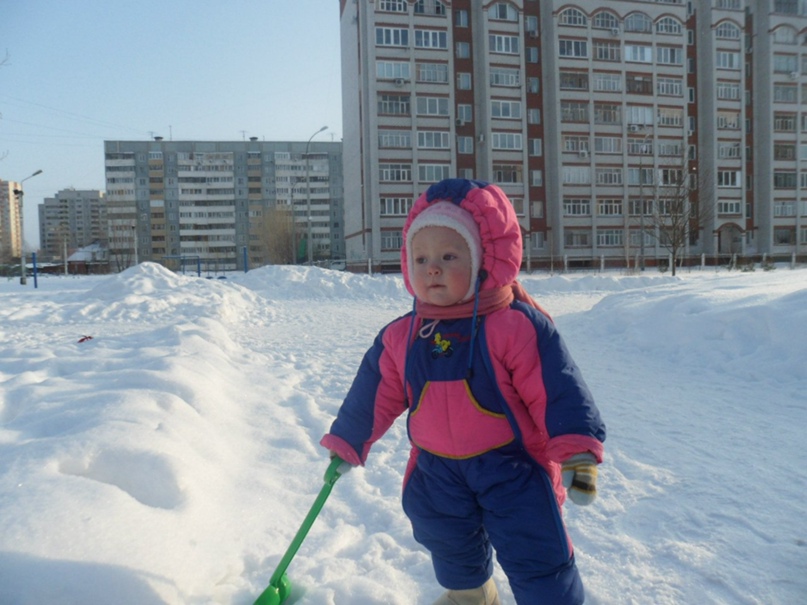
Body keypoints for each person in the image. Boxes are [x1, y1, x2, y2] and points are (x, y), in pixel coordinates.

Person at [321, 179, 606, 605]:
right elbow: (373, 392)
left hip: (510, 468)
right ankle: (472, 594)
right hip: (436, 470)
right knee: (445, 537)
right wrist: (348, 439)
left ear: (483, 260)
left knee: (535, 546)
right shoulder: (403, 335)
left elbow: (555, 388)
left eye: (448, 256)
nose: (432, 268)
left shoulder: (513, 325)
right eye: (421, 258)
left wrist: (576, 450)